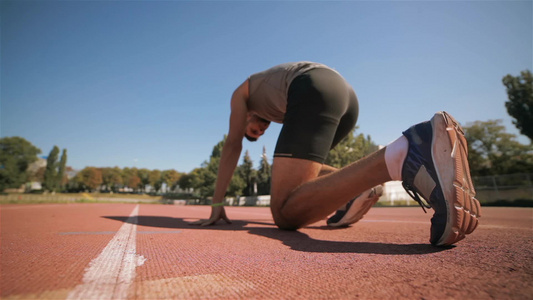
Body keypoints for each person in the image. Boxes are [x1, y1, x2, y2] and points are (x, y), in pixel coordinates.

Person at [191, 61, 481, 246]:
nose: (261, 130)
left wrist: (217, 203)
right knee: (306, 179)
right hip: (344, 95)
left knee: (284, 214)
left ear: (246, 116)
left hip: (312, 87)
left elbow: (232, 145)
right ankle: (361, 187)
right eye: (260, 133)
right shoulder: (272, 101)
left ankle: (403, 156)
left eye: (254, 129)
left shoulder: (241, 95)